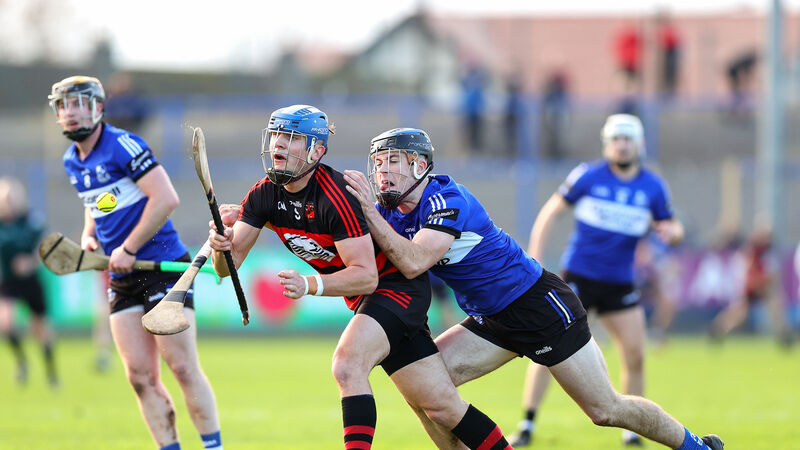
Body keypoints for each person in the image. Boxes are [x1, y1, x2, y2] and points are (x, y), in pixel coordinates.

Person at [343, 127, 723, 450]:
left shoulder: (446, 198)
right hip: (490, 320)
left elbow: (413, 261)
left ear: (420, 166)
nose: (382, 173)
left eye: (392, 162)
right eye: (377, 164)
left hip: (539, 305)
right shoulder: (389, 212)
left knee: (606, 410)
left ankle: (696, 446)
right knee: (425, 389)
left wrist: (370, 215)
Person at [208, 105, 511, 450]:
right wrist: (221, 244)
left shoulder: (335, 196)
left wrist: (310, 284)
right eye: (275, 135)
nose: (278, 144)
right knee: (442, 406)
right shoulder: (262, 194)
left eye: (290, 137)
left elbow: (366, 277)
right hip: (370, 300)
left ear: (316, 151)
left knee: (347, 364)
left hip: (396, 290)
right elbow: (224, 268)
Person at [49, 75, 223, 450]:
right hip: (123, 276)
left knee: (182, 368)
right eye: (66, 106)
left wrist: (127, 248)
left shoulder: (123, 145)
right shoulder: (71, 160)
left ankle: (213, 446)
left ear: (98, 108)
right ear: (58, 114)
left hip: (162, 267)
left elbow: (166, 198)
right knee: (140, 377)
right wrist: (89, 235)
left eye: (81, 104)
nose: (73, 113)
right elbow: (97, 203)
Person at [507, 114, 685, 446]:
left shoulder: (652, 186)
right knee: (548, 349)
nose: (621, 145)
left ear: (639, 144)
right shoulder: (588, 176)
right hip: (578, 277)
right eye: (615, 139)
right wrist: (535, 253)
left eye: (627, 138)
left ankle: (631, 429)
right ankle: (528, 423)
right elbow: (551, 212)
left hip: (619, 282)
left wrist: (672, 233)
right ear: (607, 144)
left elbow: (672, 227)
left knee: (635, 354)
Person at [0, 177, 58, 388]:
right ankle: (22, 362)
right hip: (8, 282)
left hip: (31, 282)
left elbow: (44, 249)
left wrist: (30, 262)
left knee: (40, 331)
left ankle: (51, 372)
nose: (9, 203)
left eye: (11, 198)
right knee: (6, 323)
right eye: (5, 199)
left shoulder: (31, 221)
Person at [709, 227, 792, 346]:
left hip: (761, 287)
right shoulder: (748, 254)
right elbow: (746, 276)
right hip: (749, 287)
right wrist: (756, 285)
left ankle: (783, 334)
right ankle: (718, 329)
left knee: (774, 306)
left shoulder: (766, 255)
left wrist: (766, 285)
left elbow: (773, 277)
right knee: (739, 314)